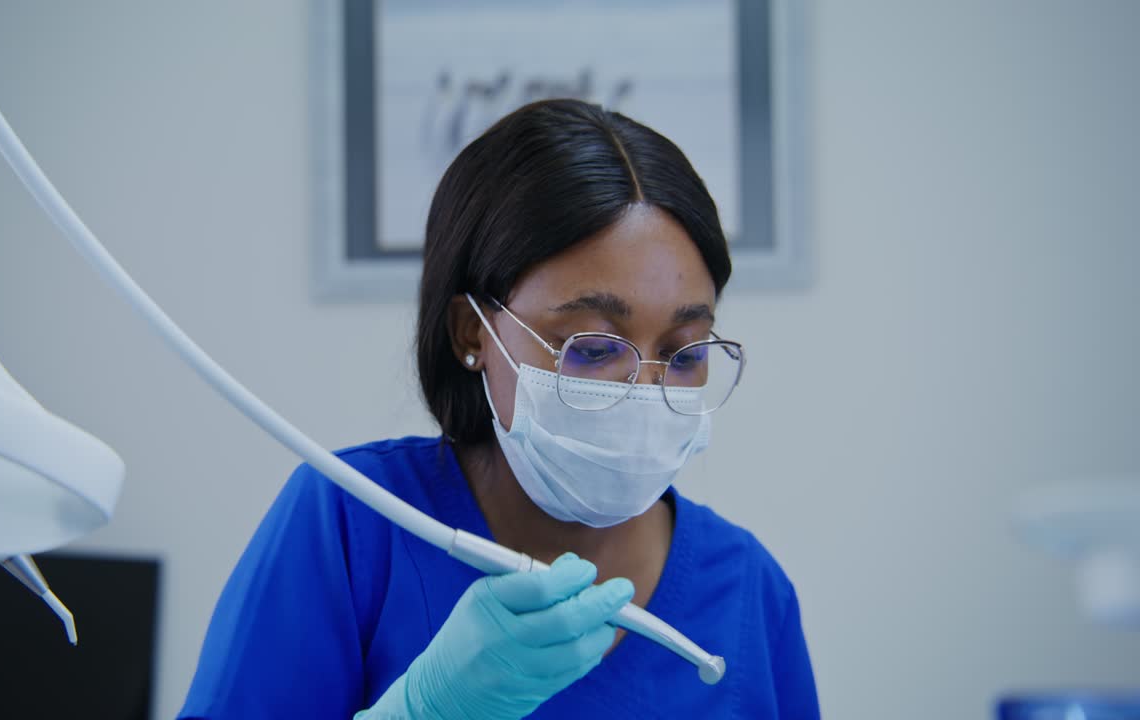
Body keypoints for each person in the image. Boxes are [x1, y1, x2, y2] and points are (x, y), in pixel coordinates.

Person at [179, 99, 819, 719]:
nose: (644, 391)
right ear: (472, 333)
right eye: (593, 348)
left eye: (683, 354)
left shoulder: (748, 592)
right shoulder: (352, 525)